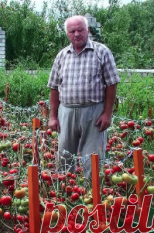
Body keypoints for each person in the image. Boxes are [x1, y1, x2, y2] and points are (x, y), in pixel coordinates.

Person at [47, 15, 120, 179]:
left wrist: (107, 113)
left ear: (87, 30)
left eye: (80, 30)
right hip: (66, 111)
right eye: (72, 31)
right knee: (64, 156)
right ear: (67, 33)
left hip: (93, 112)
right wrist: (53, 116)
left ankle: (92, 195)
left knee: (93, 157)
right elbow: (53, 87)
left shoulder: (101, 52)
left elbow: (112, 83)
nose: (76, 34)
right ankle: (64, 194)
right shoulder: (62, 55)